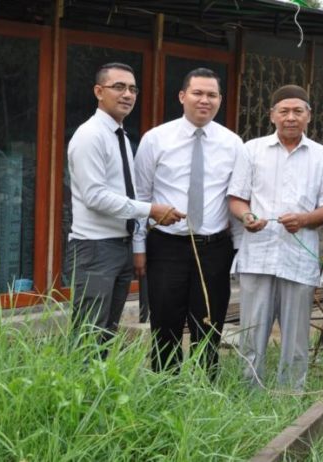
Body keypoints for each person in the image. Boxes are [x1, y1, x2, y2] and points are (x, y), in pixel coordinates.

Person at [228, 85, 323, 390]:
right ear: (272, 116)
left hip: (298, 257)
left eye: (298, 111)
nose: (290, 117)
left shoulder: (321, 156)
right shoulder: (251, 150)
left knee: (295, 335)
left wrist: (305, 219)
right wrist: (247, 217)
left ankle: (291, 394)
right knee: (252, 331)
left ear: (308, 116)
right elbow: (237, 198)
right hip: (258, 255)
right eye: (284, 111)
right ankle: (249, 392)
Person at [133, 68, 246, 374]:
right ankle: (164, 387)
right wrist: (139, 246)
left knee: (209, 322)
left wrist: (236, 251)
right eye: (197, 93)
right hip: (167, 246)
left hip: (214, 248)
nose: (204, 100)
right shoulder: (155, 139)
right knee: (165, 323)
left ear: (220, 100)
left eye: (212, 95)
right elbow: (142, 198)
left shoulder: (233, 143)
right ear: (182, 96)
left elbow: (235, 197)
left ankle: (205, 387)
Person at [66, 62, 176, 351]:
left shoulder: (121, 136)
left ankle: (99, 394)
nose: (127, 94)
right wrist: (149, 210)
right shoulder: (91, 135)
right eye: (119, 87)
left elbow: (125, 191)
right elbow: (95, 197)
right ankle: (78, 393)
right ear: (98, 91)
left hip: (120, 245)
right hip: (94, 248)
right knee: (87, 334)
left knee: (106, 334)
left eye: (132, 89)